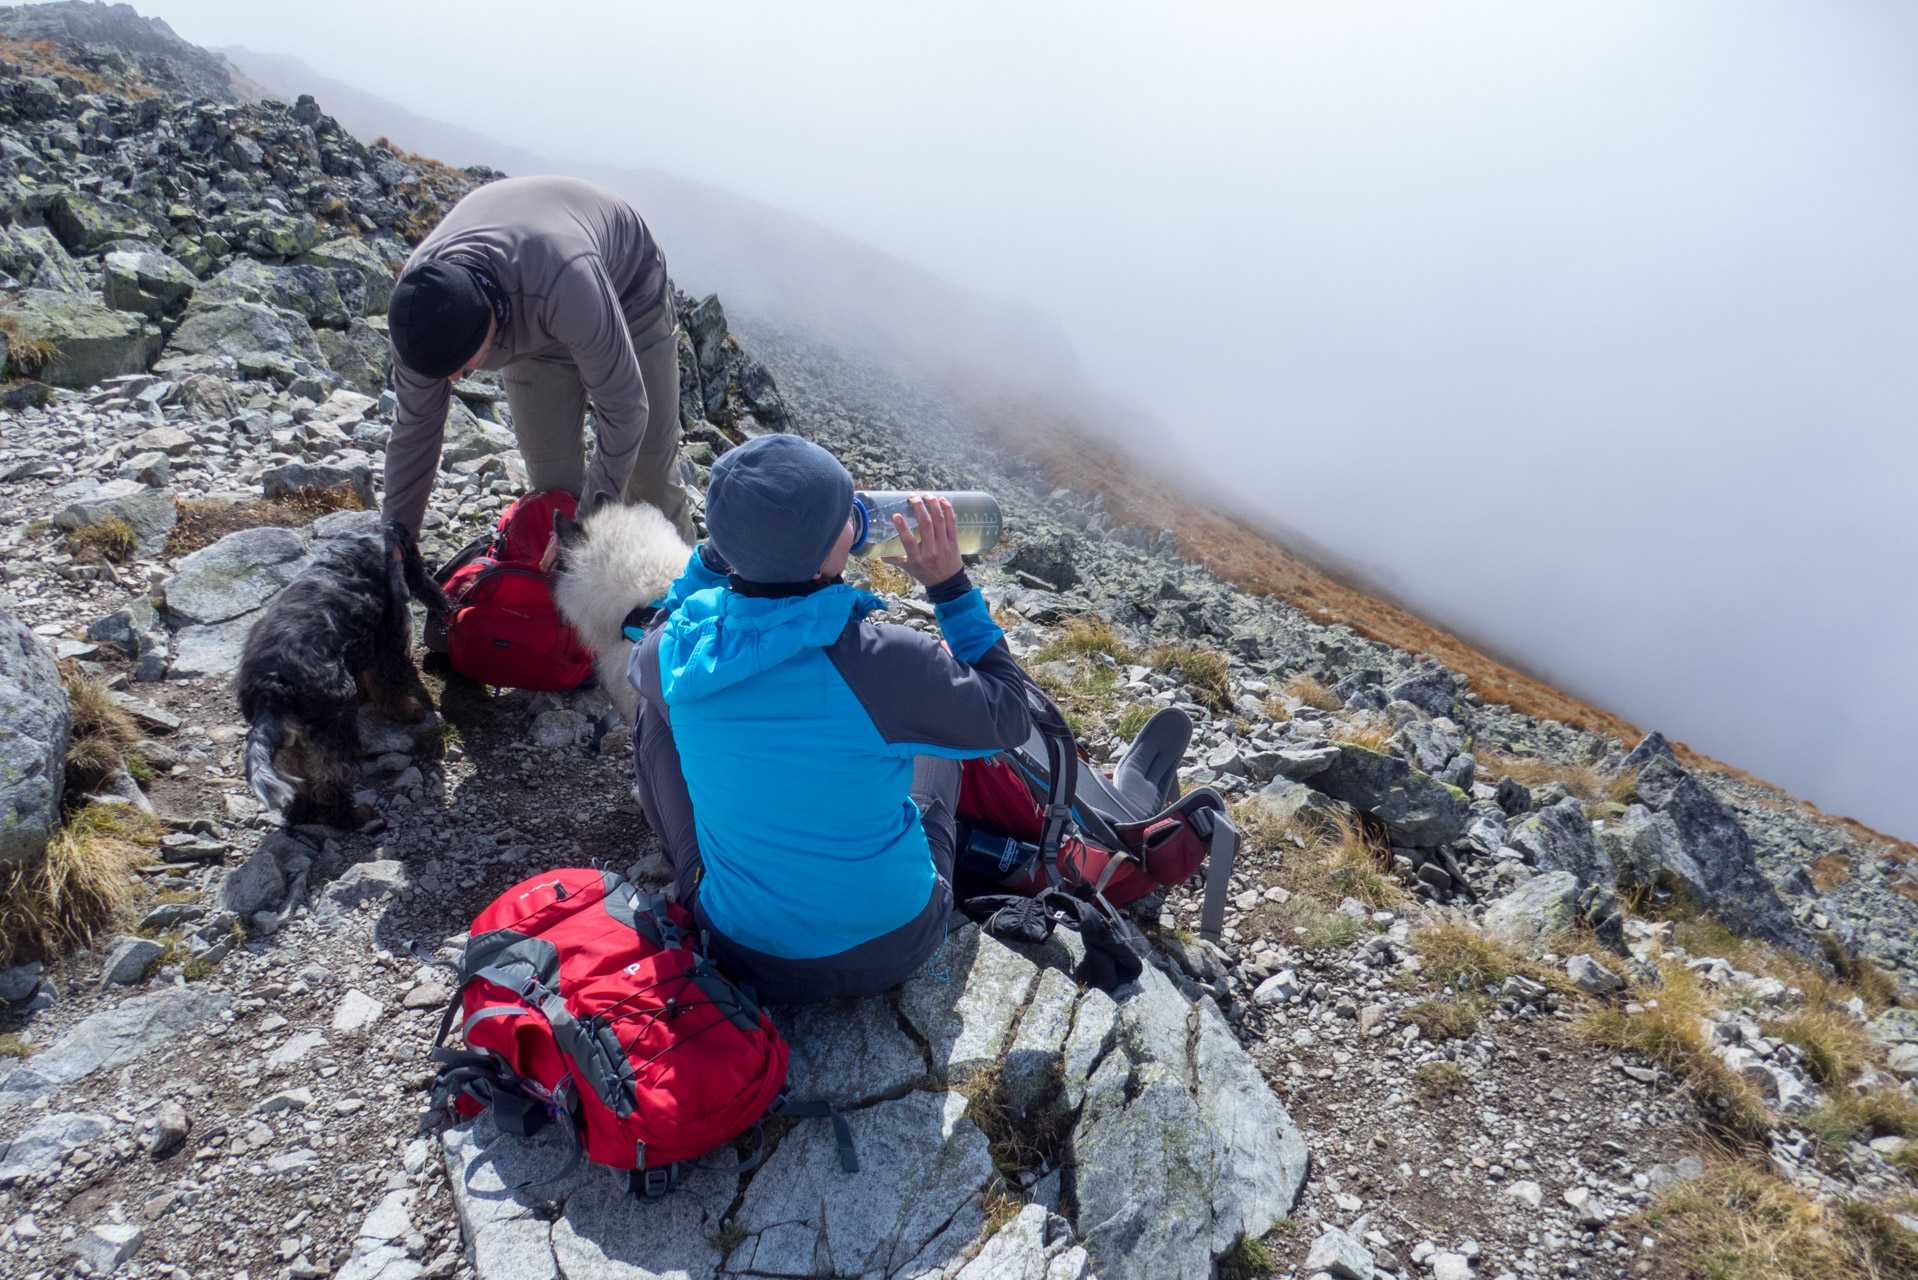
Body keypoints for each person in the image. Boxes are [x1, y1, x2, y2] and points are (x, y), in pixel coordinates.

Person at [628, 435, 1033, 1002]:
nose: (858, 517)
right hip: (897, 944)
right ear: (824, 556)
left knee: (656, 707)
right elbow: (1010, 715)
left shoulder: (676, 651)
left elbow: (652, 634)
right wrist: (950, 586)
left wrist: (716, 556)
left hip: (744, 951)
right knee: (932, 736)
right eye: (845, 513)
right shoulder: (888, 661)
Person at [380, 176, 694, 543]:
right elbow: (415, 429)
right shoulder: (420, 311)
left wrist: (583, 529)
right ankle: (582, 594)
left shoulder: (565, 278)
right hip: (533, 307)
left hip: (627, 293)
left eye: (464, 365)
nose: (452, 379)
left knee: (649, 471)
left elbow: (626, 411)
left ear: (490, 326)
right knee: (553, 486)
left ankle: (683, 589)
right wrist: (396, 539)